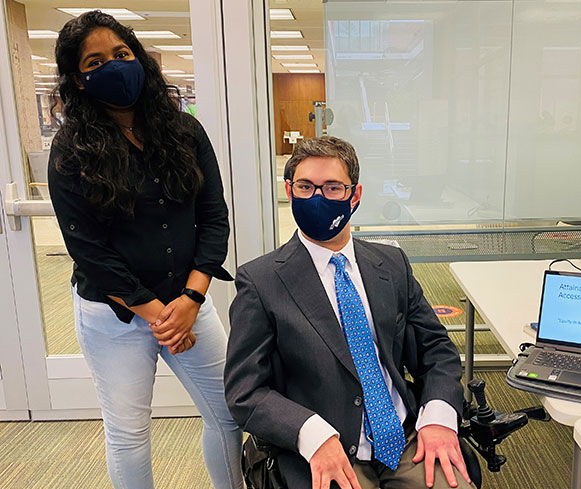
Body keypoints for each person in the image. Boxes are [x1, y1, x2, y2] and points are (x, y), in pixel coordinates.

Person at [47, 11, 242, 489]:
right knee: (129, 434)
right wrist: (159, 316)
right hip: (115, 314)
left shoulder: (183, 131)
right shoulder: (71, 150)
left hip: (189, 303)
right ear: (78, 79)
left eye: (121, 53)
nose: (114, 66)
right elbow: (88, 250)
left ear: (139, 57)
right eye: (96, 61)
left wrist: (192, 300)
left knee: (230, 415)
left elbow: (214, 218)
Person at [225, 136, 476, 489]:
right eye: (305, 186)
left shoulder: (391, 264)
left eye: (332, 188)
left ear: (354, 196)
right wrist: (311, 435)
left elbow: (437, 350)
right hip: (326, 445)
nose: (317, 198)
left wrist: (437, 417)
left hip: (405, 437)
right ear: (289, 190)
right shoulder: (262, 281)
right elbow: (244, 391)